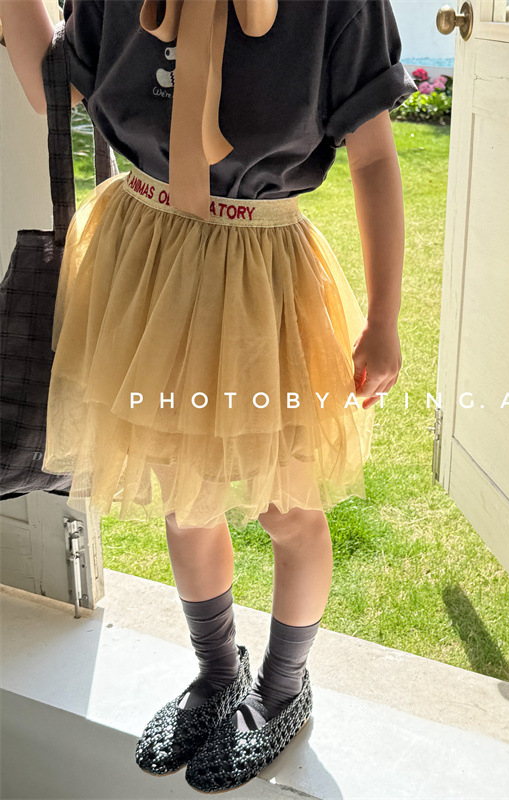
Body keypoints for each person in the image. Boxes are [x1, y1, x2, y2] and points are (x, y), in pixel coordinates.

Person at [0, 0, 414, 791]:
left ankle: (283, 688)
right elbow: (59, 85)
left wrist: (385, 318)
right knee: (185, 499)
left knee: (287, 505)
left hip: (262, 277)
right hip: (144, 262)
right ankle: (218, 674)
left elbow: (373, 157)